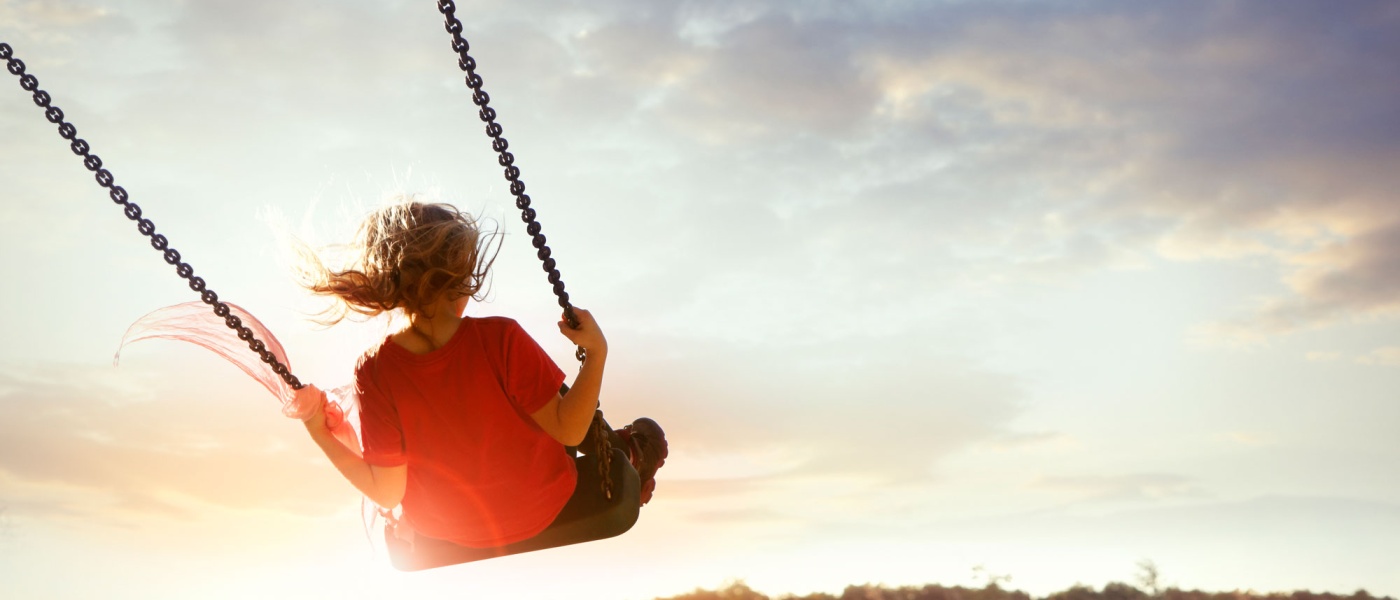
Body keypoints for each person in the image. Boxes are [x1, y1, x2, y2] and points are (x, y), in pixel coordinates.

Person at [292, 200, 666, 550]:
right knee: (553, 402)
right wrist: (596, 353)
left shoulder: (374, 369)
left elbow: (387, 493)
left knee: (442, 428)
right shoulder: (500, 338)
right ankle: (625, 453)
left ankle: (412, 522)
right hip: (541, 503)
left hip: (445, 528)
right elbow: (567, 428)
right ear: (460, 276)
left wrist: (317, 429)